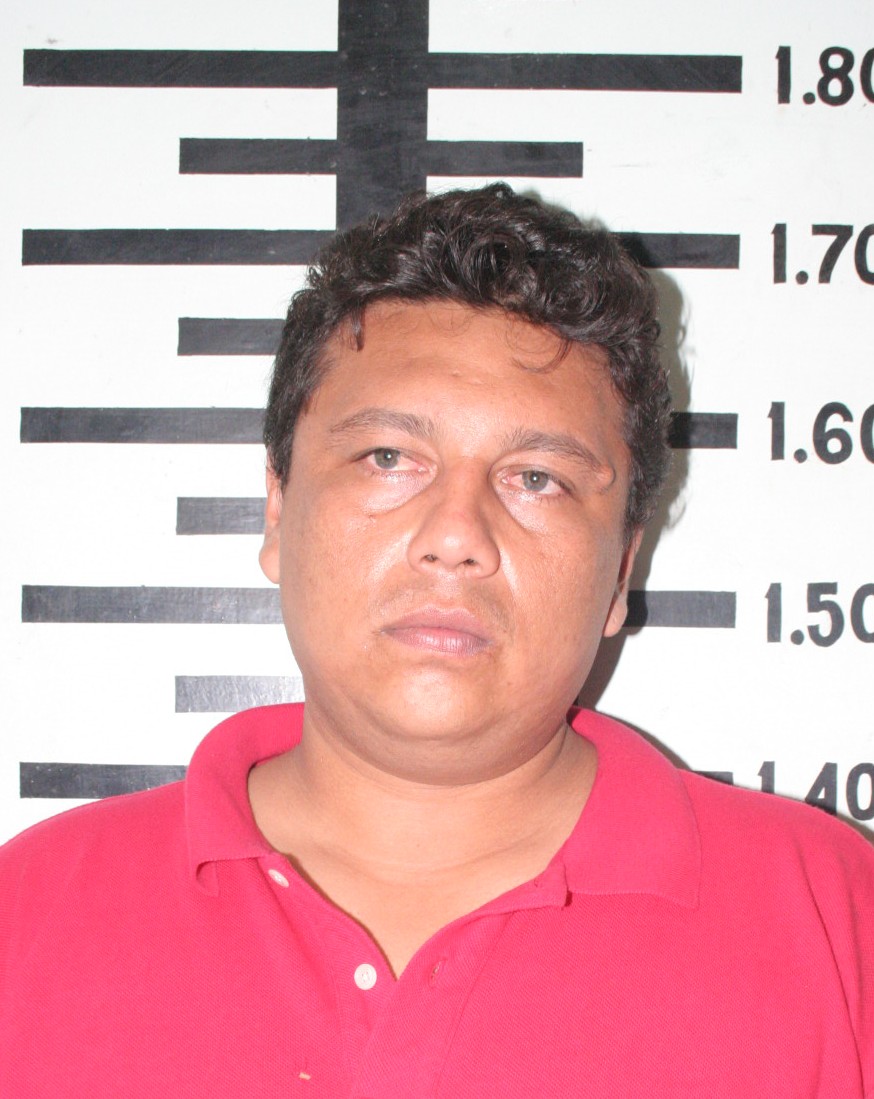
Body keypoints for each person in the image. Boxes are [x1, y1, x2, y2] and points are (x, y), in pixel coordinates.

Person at [1, 184, 872, 1097]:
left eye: (537, 478)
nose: (456, 535)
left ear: (621, 569)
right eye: (387, 457)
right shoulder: (32, 914)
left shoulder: (835, 922)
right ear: (277, 510)